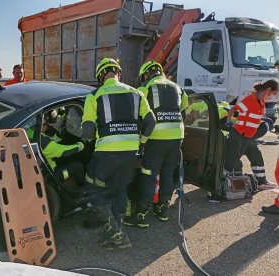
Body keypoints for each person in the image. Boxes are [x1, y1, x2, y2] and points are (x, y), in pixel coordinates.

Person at [81, 58, 155, 250]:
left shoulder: (95, 95)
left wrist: (91, 138)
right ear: (119, 73)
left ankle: (115, 232)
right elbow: (151, 121)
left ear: (100, 76)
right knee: (119, 189)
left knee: (93, 189)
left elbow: (88, 132)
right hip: (130, 152)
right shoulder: (137, 93)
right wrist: (141, 142)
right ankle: (118, 234)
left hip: (106, 153)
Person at [124, 61, 188, 228]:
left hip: (156, 139)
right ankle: (162, 209)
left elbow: (139, 117)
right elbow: (184, 110)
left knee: (149, 174)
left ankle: (140, 214)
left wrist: (141, 140)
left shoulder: (145, 89)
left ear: (146, 74)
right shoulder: (178, 88)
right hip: (177, 137)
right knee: (167, 172)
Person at [224, 79, 279, 189]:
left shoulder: (261, 100)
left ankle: (261, 182)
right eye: (274, 93)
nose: (274, 96)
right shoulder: (251, 99)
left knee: (256, 156)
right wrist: (229, 121)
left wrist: (263, 119)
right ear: (268, 89)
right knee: (231, 162)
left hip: (248, 136)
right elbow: (234, 109)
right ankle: (221, 183)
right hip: (239, 135)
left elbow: (252, 115)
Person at [41, 111, 86, 189]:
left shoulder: (36, 136)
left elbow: (52, 143)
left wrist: (59, 134)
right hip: (51, 175)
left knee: (67, 159)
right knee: (78, 166)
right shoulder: (43, 142)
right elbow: (65, 152)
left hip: (45, 166)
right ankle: (82, 189)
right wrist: (81, 144)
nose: (48, 125)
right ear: (40, 126)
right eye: (45, 124)